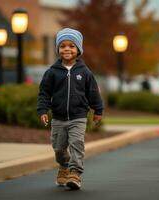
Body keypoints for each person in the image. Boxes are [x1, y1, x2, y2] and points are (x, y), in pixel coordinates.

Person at [37, 28, 103, 190]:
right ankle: (64, 166)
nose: (67, 49)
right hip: (58, 118)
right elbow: (44, 93)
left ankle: (75, 173)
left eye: (72, 46)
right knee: (59, 149)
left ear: (78, 50)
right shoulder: (52, 72)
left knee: (76, 144)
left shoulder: (85, 72)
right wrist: (43, 110)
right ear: (58, 49)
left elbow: (93, 92)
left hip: (78, 117)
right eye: (63, 46)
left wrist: (98, 110)